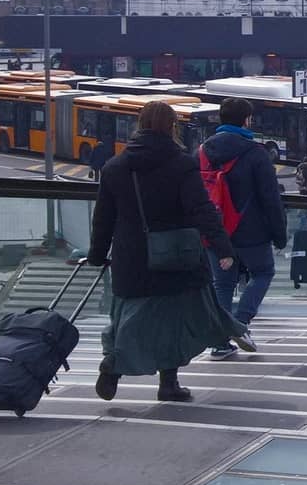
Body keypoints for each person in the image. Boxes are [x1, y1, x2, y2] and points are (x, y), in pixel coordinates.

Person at [87, 101, 250, 403]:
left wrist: (97, 254)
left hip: (131, 258)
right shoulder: (181, 163)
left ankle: (113, 366)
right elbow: (201, 209)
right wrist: (222, 246)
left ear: (140, 124)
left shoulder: (115, 167)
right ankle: (169, 384)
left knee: (126, 316)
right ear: (171, 126)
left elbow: (104, 218)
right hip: (176, 255)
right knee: (172, 321)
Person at [199, 97, 287, 358]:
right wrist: (279, 234)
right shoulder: (255, 153)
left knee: (223, 284)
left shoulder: (202, 152)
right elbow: (270, 198)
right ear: (246, 120)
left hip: (215, 232)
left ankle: (220, 342)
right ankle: (241, 323)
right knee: (263, 272)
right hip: (251, 232)